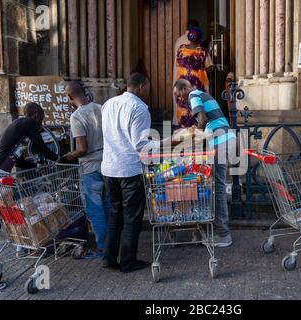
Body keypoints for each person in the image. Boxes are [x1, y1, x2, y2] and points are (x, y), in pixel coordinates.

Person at [0, 103, 59, 292]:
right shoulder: (25, 123)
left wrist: (36, 161)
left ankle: (23, 247)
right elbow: (40, 145)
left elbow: (20, 157)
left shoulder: (18, 130)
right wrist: (60, 159)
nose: (40, 124)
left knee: (10, 215)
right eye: (41, 119)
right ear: (36, 115)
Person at [101, 73, 161, 273]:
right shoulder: (139, 108)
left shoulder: (108, 104)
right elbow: (140, 144)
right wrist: (163, 144)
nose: (148, 92)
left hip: (109, 167)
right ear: (141, 86)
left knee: (114, 213)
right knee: (131, 217)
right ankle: (128, 261)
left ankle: (109, 258)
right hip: (128, 169)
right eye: (148, 87)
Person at [173, 79, 235, 248]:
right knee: (216, 186)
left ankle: (223, 234)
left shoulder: (193, 94)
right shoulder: (201, 95)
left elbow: (202, 118)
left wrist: (196, 142)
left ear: (185, 88)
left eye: (179, 94)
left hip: (220, 141)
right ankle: (218, 230)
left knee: (217, 187)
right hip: (223, 139)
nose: (180, 99)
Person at [64, 81, 109, 260]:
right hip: (107, 162)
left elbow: (82, 148)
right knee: (107, 205)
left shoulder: (76, 117)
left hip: (90, 167)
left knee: (95, 209)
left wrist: (70, 155)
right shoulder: (101, 108)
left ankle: (102, 248)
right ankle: (112, 243)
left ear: (69, 97)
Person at [174, 25, 212, 128]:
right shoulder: (203, 52)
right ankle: (198, 136)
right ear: (200, 38)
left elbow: (178, 64)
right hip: (197, 88)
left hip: (182, 87)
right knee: (198, 110)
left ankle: (184, 135)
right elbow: (208, 68)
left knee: (184, 110)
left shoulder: (181, 50)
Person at [172, 19, 201, 126]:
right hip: (193, 78)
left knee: (181, 101)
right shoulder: (196, 43)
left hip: (180, 75)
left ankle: (179, 121)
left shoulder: (179, 41)